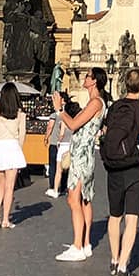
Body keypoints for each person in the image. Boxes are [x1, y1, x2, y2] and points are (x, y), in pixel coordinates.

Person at [104, 67, 139, 276]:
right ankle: (124, 267)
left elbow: (106, 134)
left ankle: (114, 259)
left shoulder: (114, 107)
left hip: (114, 167)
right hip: (135, 167)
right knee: (132, 218)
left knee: (115, 216)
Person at [55, 68, 108, 261]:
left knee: (73, 199)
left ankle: (77, 245)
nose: (84, 78)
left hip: (81, 155)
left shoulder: (95, 102)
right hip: (85, 154)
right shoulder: (97, 102)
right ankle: (85, 243)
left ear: (94, 82)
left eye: (87, 76)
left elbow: (74, 124)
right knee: (85, 199)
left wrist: (60, 110)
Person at [0, 83, 27, 229]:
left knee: (0, 184)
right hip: (12, 147)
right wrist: (19, 151)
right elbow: (22, 135)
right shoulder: (21, 114)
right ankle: (5, 219)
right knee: (10, 187)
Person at [44, 91, 69, 197]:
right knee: (64, 167)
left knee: (54, 166)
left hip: (55, 142)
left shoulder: (54, 115)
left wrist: (46, 137)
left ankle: (53, 187)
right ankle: (63, 187)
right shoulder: (68, 115)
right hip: (66, 143)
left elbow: (50, 127)